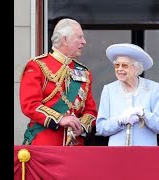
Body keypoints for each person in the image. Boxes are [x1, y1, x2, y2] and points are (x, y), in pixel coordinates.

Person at [20, 18, 97, 146]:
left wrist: (81, 127)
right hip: (45, 145)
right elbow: (30, 104)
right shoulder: (38, 66)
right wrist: (60, 119)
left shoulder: (84, 72)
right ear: (64, 40)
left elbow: (91, 111)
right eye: (79, 37)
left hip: (75, 147)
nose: (84, 42)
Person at [96, 43, 159, 146]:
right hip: (117, 154)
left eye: (124, 65)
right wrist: (119, 120)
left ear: (136, 69)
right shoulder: (109, 90)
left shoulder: (153, 88)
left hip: (145, 154)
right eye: (116, 65)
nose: (119, 69)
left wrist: (143, 113)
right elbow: (101, 128)